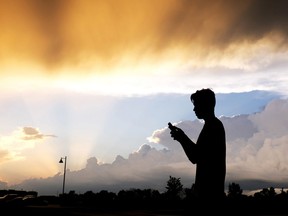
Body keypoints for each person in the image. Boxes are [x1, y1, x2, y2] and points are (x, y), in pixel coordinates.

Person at [168, 88, 226, 204]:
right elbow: (198, 155)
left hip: (209, 196)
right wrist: (181, 137)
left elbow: (195, 156)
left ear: (206, 105)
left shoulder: (213, 127)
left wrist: (181, 137)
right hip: (209, 194)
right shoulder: (212, 126)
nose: (194, 109)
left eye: (196, 105)